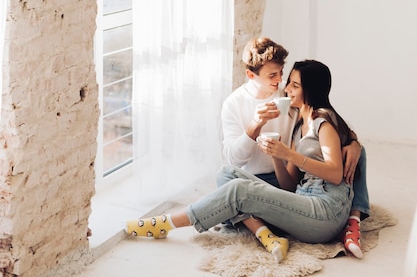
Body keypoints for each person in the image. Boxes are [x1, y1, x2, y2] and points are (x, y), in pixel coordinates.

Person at [125, 60, 356, 263]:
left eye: (295, 85)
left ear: (311, 90)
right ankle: (267, 235)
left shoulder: (323, 123)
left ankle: (166, 224)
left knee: (239, 191)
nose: (286, 89)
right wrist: (276, 156)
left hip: (326, 213)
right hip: (305, 201)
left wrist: (289, 155)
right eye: (290, 82)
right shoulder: (299, 126)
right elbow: (289, 185)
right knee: (227, 174)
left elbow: (335, 174)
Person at [221, 36, 369, 258]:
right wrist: (255, 125)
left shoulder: (288, 95)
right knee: (224, 178)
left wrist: (354, 143)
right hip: (258, 178)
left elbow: (327, 121)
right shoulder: (233, 104)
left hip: (293, 178)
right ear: (251, 75)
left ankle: (353, 219)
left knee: (358, 152)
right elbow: (233, 159)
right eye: (273, 75)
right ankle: (264, 232)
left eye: (282, 73)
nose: (281, 82)